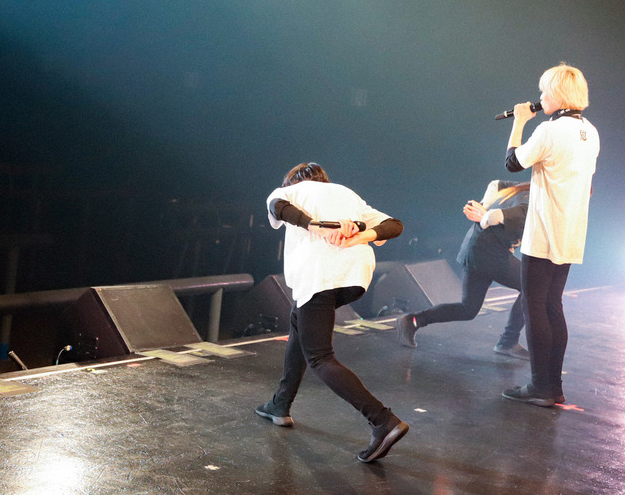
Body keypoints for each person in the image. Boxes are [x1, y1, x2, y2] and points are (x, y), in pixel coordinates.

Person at [254, 162, 409, 464]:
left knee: (320, 357)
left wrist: (315, 226)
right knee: (300, 321)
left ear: (293, 180)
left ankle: (383, 421)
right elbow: (394, 225)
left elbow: (278, 206)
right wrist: (360, 233)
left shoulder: (290, 191)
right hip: (355, 277)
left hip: (319, 276)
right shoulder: (347, 194)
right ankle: (280, 404)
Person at [500, 64, 599, 407]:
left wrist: (518, 121)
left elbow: (512, 162)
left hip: (544, 230)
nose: (540, 97)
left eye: (544, 92)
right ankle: (552, 386)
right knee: (552, 304)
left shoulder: (548, 130)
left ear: (557, 95)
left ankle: (540, 386)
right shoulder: (591, 132)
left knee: (534, 305)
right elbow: (588, 188)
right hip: (571, 231)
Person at [397, 180, 529, 358]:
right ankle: (508, 341)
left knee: (468, 309)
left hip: (476, 248)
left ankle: (412, 321)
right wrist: (485, 213)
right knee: (532, 287)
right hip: (490, 252)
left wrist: (484, 205)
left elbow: (496, 183)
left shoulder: (519, 189)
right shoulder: (531, 199)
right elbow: (496, 216)